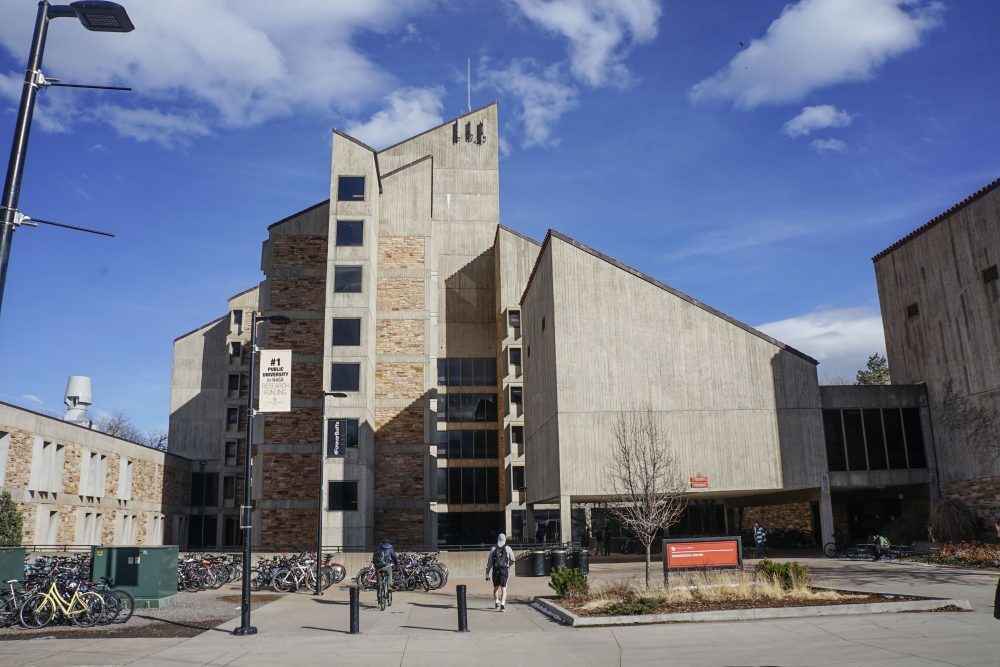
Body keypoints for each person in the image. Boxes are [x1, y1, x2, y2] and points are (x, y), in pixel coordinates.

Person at [485, 532, 516, 611]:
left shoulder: (493, 548)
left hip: (495, 571)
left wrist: (487, 572)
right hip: (504, 570)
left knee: (496, 588)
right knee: (504, 588)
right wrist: (509, 565)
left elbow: (489, 563)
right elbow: (513, 560)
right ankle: (502, 605)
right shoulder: (508, 548)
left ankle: (496, 602)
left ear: (498, 539)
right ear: (505, 539)